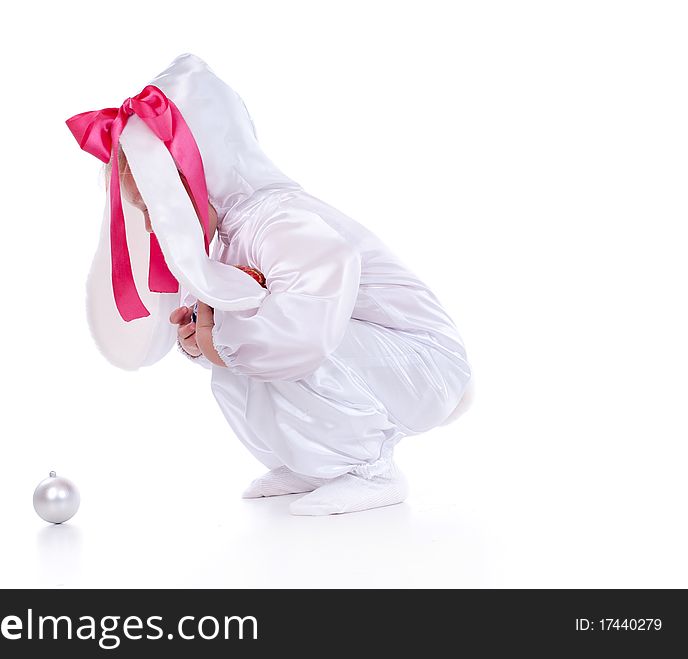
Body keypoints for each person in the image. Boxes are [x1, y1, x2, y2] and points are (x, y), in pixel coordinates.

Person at [69, 54, 474, 515]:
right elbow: (234, 336)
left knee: (276, 338)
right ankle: (316, 463)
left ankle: (371, 470)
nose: (152, 229)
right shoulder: (227, 238)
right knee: (240, 353)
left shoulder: (278, 219)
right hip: (381, 360)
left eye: (158, 213)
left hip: (422, 362)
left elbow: (307, 328)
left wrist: (219, 329)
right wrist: (200, 336)